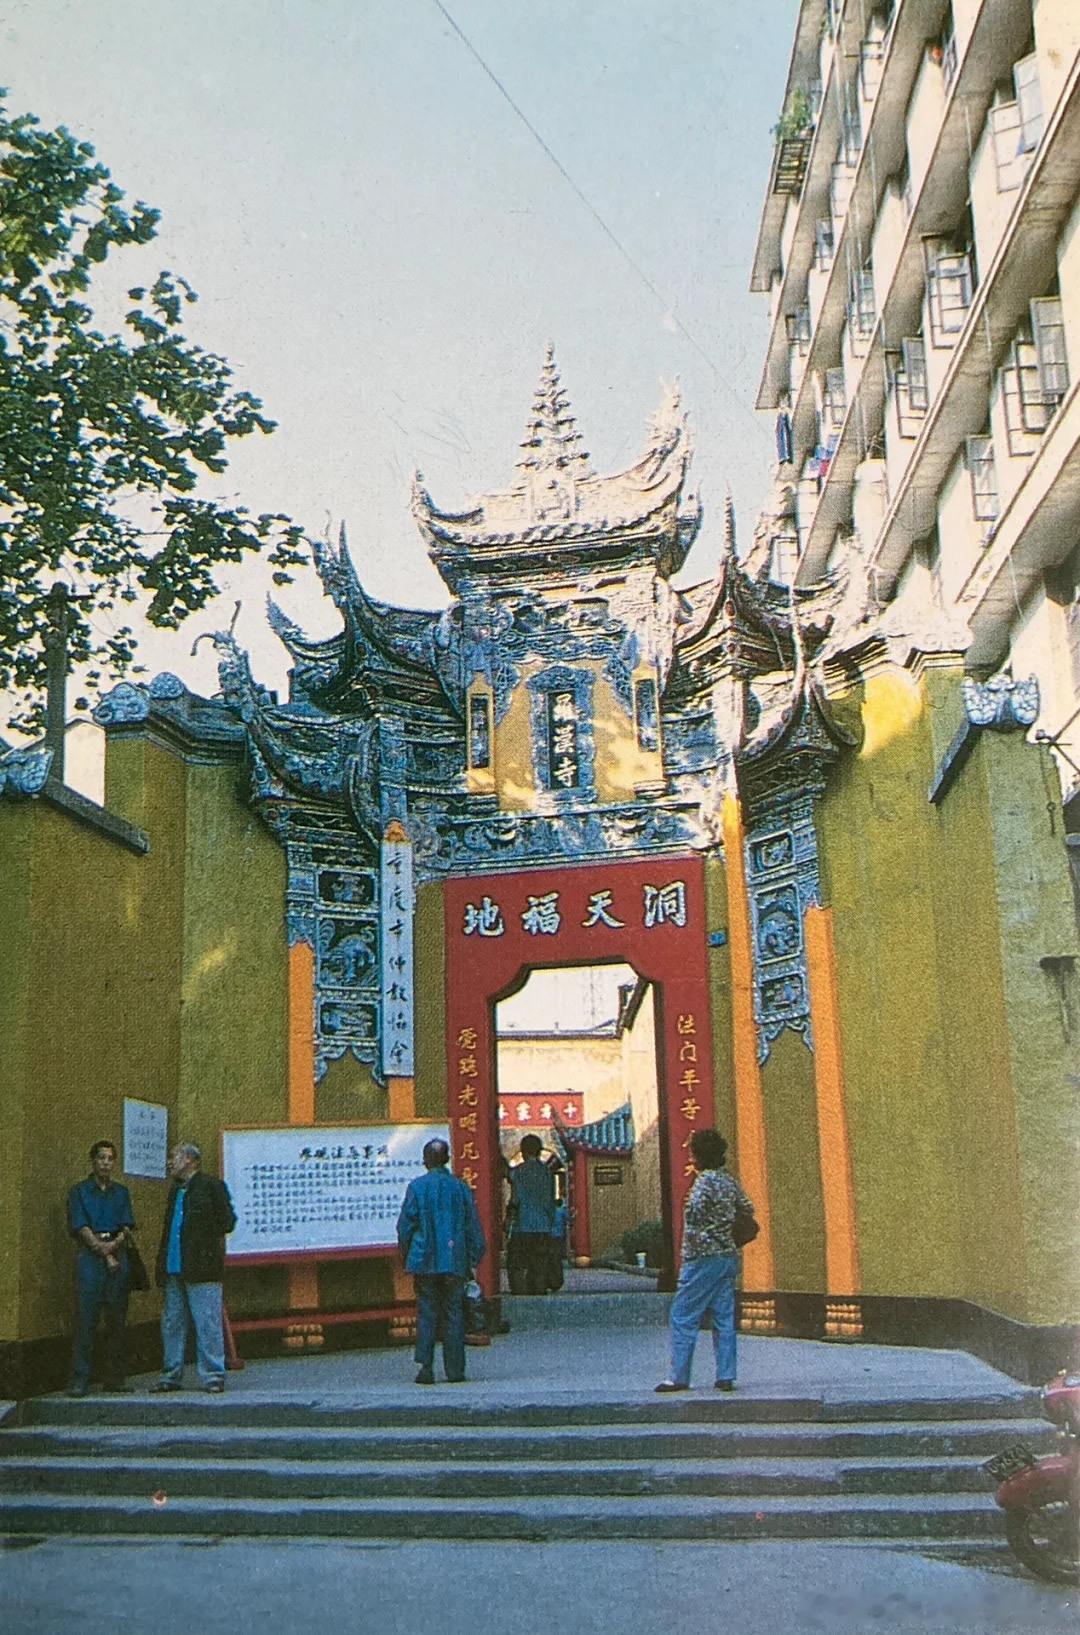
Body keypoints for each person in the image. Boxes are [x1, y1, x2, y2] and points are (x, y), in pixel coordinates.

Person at [655, 1128, 755, 1394]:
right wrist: (725, 1225)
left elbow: (696, 1213)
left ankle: (678, 1377)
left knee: (683, 1315)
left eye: (692, 1152)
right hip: (727, 1255)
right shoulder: (728, 1181)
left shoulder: (703, 1183)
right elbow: (748, 1208)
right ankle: (726, 1375)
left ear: (699, 1155)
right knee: (724, 1315)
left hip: (702, 1257)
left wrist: (707, 1229)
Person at [397, 1137, 486, 1384]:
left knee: (426, 1312)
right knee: (454, 1313)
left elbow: (405, 1227)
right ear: (447, 1159)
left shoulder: (417, 1187)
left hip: (424, 1260)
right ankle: (455, 1370)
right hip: (455, 1260)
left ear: (426, 1161)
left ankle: (425, 1367)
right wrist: (473, 1258)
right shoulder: (460, 1188)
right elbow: (473, 1227)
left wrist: (407, 1255)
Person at [152, 1142, 237, 1394]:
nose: (170, 1162)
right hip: (174, 1265)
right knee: (172, 1323)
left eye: (174, 1156)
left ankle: (213, 1375)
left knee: (207, 1322)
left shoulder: (211, 1186)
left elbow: (227, 1221)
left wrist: (203, 1240)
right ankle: (170, 1375)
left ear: (190, 1160)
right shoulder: (175, 1191)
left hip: (202, 1266)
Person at [66, 1140, 137, 1396]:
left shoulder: (121, 1192)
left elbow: (127, 1226)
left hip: (117, 1255)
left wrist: (114, 1247)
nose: (106, 1163)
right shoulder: (79, 1192)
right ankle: (80, 1378)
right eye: (101, 1158)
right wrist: (103, 1251)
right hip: (90, 1258)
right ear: (93, 1161)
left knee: (117, 1319)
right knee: (86, 1319)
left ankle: (115, 1378)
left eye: (110, 1159)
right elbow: (80, 1226)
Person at [506, 1134, 557, 1295]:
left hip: (522, 1226)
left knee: (519, 1262)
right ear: (539, 1151)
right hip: (543, 1225)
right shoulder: (548, 1172)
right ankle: (539, 1289)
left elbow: (515, 1200)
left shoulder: (519, 1172)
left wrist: (508, 1219)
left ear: (523, 1151)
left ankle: (521, 1290)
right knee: (540, 1262)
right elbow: (550, 1201)